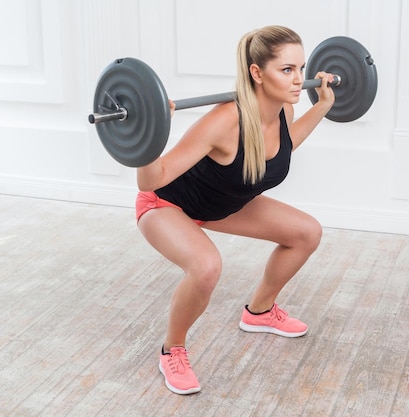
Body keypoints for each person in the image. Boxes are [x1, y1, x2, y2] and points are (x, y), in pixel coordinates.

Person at [135, 25, 335, 395]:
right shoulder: (225, 120)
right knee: (207, 267)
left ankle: (258, 312)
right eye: (287, 70)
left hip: (222, 204)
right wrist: (146, 138)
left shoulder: (283, 112)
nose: (299, 80)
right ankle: (172, 349)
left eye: (301, 68)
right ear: (257, 73)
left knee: (306, 233)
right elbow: (152, 179)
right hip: (167, 204)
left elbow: (285, 147)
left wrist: (322, 106)